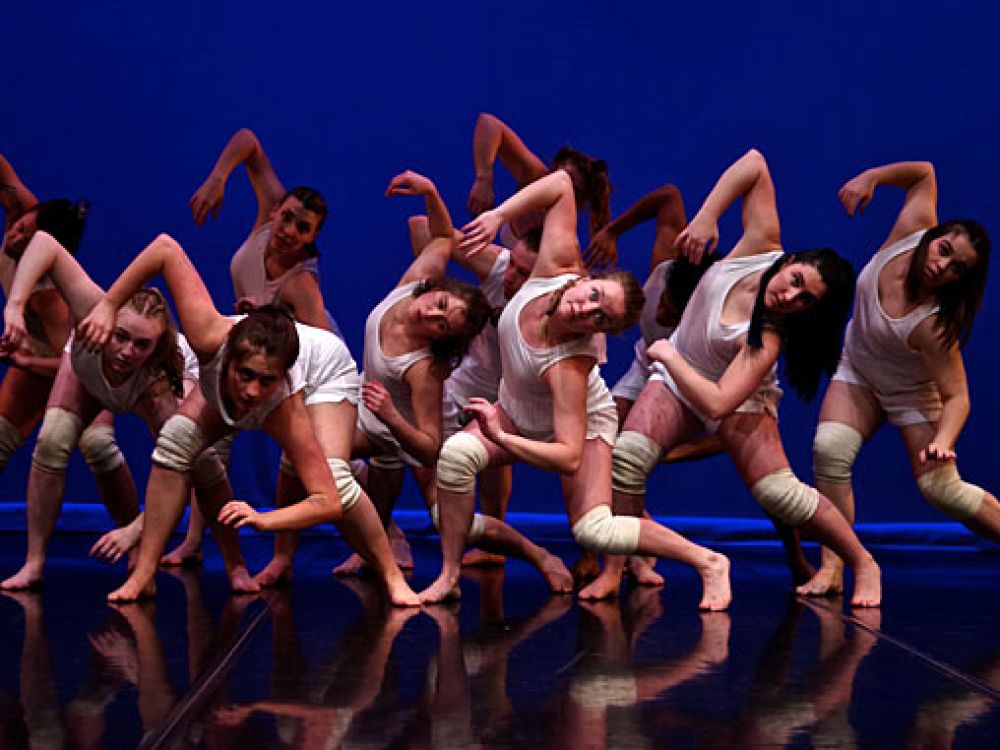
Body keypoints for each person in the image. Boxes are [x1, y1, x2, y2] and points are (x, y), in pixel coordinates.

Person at [588, 149, 881, 607]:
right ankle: (615, 564)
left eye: (806, 300)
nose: (791, 295)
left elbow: (719, 404)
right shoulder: (760, 249)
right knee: (627, 459)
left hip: (734, 398)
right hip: (678, 378)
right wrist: (706, 216)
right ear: (790, 262)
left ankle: (862, 561)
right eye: (797, 279)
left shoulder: (768, 334)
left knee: (779, 494)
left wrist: (667, 354)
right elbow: (756, 163)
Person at [75, 234, 423, 606]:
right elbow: (164, 248)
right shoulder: (209, 335)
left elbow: (328, 503)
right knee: (176, 439)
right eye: (246, 377)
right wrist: (109, 304)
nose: (253, 393)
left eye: (266, 382)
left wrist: (262, 520)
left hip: (326, 372)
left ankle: (390, 575)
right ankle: (144, 574)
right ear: (229, 363)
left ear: (282, 379)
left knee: (336, 477)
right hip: (251, 358)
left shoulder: (284, 408)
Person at [421, 169, 688, 606]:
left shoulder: (571, 362)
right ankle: (448, 574)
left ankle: (702, 561)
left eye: (600, 317)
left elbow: (568, 454)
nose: (587, 309)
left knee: (592, 526)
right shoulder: (555, 269)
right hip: (518, 411)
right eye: (594, 296)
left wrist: (502, 436)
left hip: (575, 427)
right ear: (583, 278)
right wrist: (496, 214)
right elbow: (562, 182)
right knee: (454, 457)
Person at [0, 231, 251, 592]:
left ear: (154, 348)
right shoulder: (96, 310)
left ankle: (234, 564)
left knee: (202, 465)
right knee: (52, 441)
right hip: (85, 373)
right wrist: (14, 308)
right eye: (121, 337)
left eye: (141, 344)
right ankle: (34, 562)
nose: (126, 352)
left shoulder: (159, 383)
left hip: (142, 391)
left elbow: (174, 475)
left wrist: (136, 531)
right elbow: (44, 242)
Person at [799, 160, 997, 597]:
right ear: (935, 236)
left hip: (911, 395)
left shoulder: (933, 324)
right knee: (829, 449)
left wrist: (944, 440)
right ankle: (834, 566)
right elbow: (924, 173)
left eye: (957, 268)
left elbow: (958, 395)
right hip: (858, 370)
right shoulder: (911, 231)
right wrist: (870, 177)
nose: (941, 266)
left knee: (943, 493)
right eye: (944, 250)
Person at [164, 128, 344, 567]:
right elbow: (248, 140)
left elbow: (320, 342)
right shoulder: (268, 218)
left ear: (310, 238)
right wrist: (218, 178)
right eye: (287, 218)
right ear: (277, 209)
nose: (288, 231)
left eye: (302, 228)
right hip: (249, 350)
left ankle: (385, 538)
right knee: (208, 446)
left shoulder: (302, 283)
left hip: (303, 366)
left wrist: (272, 313)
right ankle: (194, 540)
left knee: (330, 471)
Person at [331, 170, 492, 576]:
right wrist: (432, 192)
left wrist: (390, 416)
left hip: (401, 424)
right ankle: (379, 542)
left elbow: (428, 447)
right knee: (315, 460)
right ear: (435, 290)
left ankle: (537, 555)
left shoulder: (424, 368)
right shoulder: (413, 286)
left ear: (443, 339)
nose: (431, 314)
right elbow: (441, 238)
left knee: (454, 524)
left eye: (441, 324)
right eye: (439, 303)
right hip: (375, 414)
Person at [465, 113, 611, 249]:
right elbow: (488, 124)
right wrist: (484, 179)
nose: (560, 184)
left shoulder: (562, 235)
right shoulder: (536, 179)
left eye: (572, 187)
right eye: (558, 176)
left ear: (580, 204)